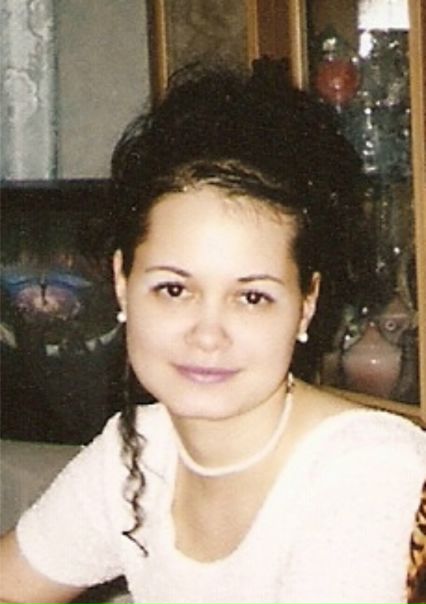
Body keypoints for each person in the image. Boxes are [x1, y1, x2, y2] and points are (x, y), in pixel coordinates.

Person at [0, 58, 425, 604]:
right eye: (174, 289)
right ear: (123, 282)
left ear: (306, 305)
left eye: (252, 297)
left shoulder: (366, 469)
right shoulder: (138, 453)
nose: (207, 335)